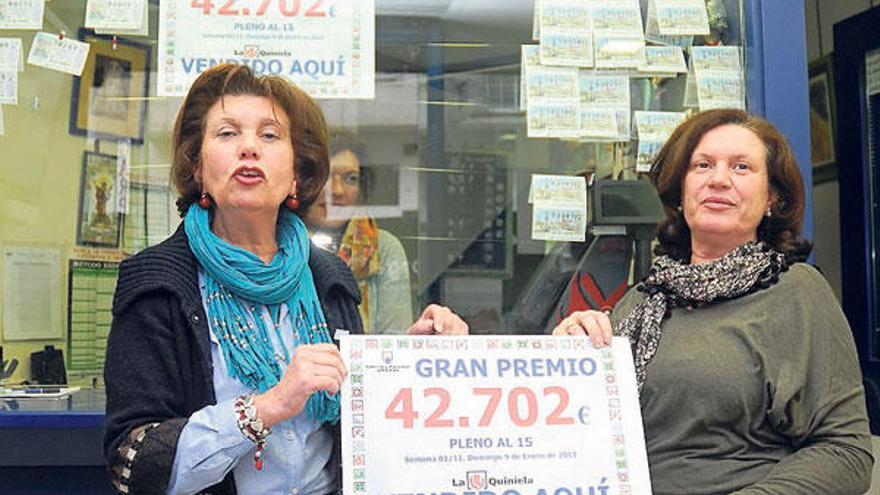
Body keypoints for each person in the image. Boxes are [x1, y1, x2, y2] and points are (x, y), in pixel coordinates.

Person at [103, 64, 467, 495]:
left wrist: (407, 365)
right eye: (227, 133)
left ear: (297, 173)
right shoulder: (157, 284)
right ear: (197, 167)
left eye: (270, 135)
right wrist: (268, 406)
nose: (249, 148)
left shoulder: (329, 277)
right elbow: (132, 464)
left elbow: (360, 425)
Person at [553, 108, 873, 494]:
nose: (719, 180)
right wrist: (572, 361)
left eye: (741, 168)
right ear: (681, 191)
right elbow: (585, 437)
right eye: (702, 165)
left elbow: (846, 451)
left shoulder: (797, 292)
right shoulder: (642, 301)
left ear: (772, 197)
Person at [302, 129, 413, 334]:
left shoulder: (384, 249)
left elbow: (395, 342)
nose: (337, 190)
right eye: (325, 176)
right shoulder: (280, 244)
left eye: (350, 178)